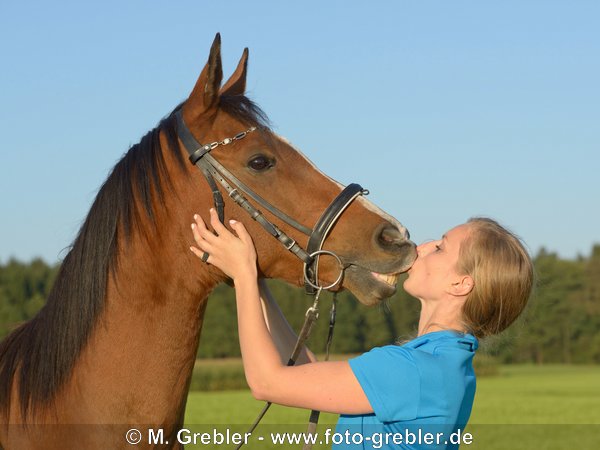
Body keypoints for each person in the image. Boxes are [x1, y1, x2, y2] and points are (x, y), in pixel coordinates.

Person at [189, 208, 533, 449]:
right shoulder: (440, 365)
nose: (423, 246)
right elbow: (308, 374)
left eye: (441, 247)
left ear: (461, 284)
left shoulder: (414, 370)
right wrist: (258, 285)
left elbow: (267, 383)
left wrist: (245, 276)